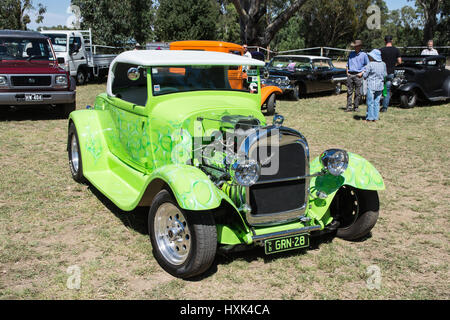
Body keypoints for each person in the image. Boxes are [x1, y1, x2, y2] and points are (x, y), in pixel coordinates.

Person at [379, 35, 402, 112]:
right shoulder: (396, 50)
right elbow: (399, 61)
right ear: (391, 41)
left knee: (379, 89)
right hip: (391, 72)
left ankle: (376, 104)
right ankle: (385, 107)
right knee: (387, 90)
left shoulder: (381, 50)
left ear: (385, 41)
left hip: (382, 73)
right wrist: (394, 64)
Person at [346, 40, 369, 112]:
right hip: (350, 74)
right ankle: (349, 107)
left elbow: (367, 65)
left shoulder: (364, 55)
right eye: (354, 46)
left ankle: (356, 107)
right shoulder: (351, 54)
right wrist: (347, 72)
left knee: (357, 92)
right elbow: (347, 64)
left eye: (356, 46)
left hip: (358, 75)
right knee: (349, 91)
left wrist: (362, 73)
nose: (355, 48)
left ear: (360, 46)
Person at [364, 49, 387, 122]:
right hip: (380, 86)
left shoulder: (370, 64)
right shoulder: (383, 64)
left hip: (371, 85)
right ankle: (376, 117)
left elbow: (365, 75)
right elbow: (385, 74)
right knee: (377, 102)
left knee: (370, 102)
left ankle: (370, 117)